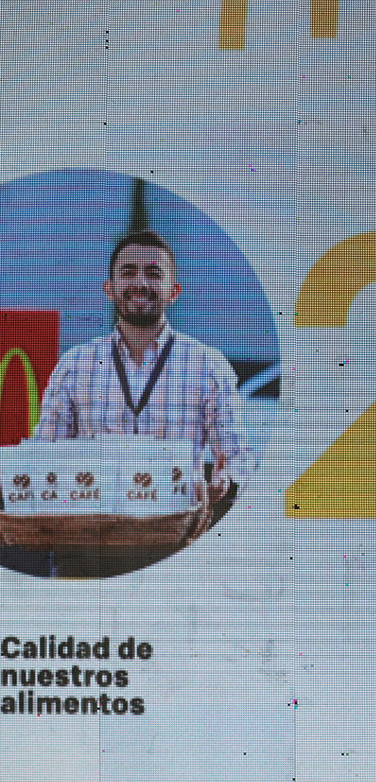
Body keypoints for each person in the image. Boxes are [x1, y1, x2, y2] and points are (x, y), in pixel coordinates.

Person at [29, 229, 251, 576]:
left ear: (174, 291)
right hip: (89, 548)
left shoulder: (208, 365)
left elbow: (237, 459)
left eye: (153, 273)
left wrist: (226, 479)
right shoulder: (75, 365)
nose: (140, 283)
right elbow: (46, 456)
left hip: (176, 547)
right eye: (128, 272)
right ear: (109, 288)